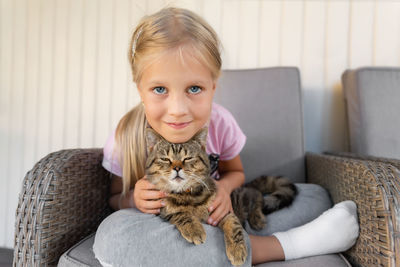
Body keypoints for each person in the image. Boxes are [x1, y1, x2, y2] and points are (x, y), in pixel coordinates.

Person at [98, 7, 359, 265]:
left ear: (213, 86)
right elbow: (113, 198)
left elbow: (236, 173)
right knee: (114, 235)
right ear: (140, 89)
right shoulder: (127, 135)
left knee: (316, 196)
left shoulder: (220, 123)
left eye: (194, 88)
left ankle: (208, 252)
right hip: (162, 223)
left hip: (217, 216)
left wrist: (223, 189)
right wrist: (132, 199)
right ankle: (286, 245)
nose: (178, 110)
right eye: (159, 89)